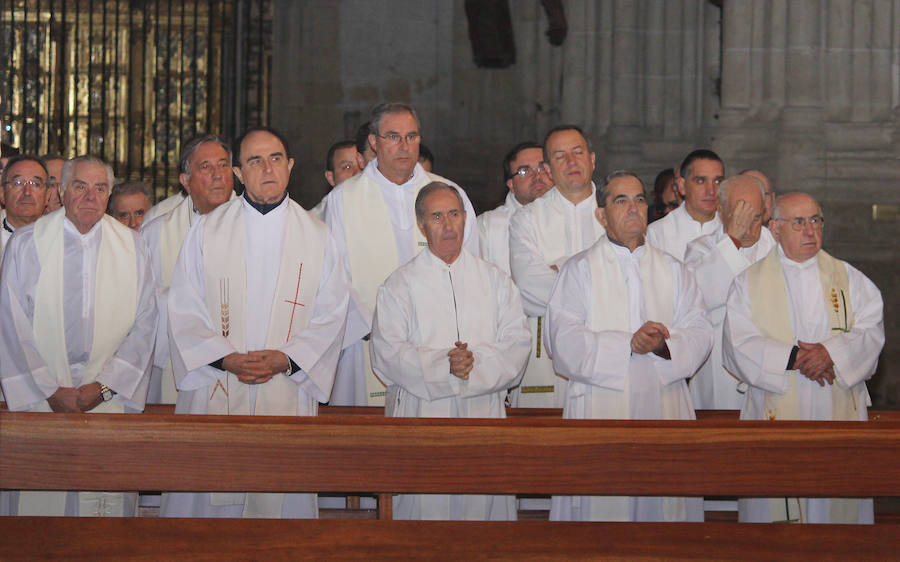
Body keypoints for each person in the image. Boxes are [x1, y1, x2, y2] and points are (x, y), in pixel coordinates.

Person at [162, 126, 350, 519]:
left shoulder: (319, 236)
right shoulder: (206, 231)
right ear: (238, 173)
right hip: (218, 384)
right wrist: (224, 358)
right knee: (207, 522)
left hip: (285, 386)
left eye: (276, 158)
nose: (267, 168)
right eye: (255, 160)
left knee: (280, 517)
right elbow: (184, 306)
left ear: (291, 167)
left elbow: (332, 314)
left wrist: (286, 359)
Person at [545, 170, 712, 522]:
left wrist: (664, 347)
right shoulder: (578, 271)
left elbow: (700, 330)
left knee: (664, 513)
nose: (634, 207)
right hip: (601, 409)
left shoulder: (674, 269)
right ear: (601, 215)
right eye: (621, 200)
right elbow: (563, 343)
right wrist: (628, 346)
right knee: (605, 517)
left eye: (639, 199)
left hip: (663, 405)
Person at [0, 155, 157, 516]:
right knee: (40, 518)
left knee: (104, 520)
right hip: (42, 401)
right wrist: (50, 389)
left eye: (99, 188)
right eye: (80, 186)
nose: (90, 196)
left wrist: (103, 387)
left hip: (108, 400)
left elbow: (145, 324)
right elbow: (11, 326)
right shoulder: (26, 244)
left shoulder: (133, 246)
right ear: (63, 191)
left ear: (109, 194)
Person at [371, 181, 530, 520]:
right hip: (422, 414)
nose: (447, 225)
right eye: (437, 216)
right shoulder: (400, 284)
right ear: (421, 224)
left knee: (482, 515)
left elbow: (517, 345)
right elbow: (387, 354)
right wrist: (444, 365)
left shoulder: (496, 280)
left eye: (454, 214)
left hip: (482, 412)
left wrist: (474, 364)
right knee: (426, 516)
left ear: (465, 219)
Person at [722, 192, 884, 524]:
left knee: (836, 510)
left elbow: (871, 331)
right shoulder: (748, 283)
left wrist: (831, 354)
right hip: (776, 403)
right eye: (798, 222)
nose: (809, 230)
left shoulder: (850, 279)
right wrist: (796, 357)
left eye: (815, 220)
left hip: (835, 404)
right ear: (775, 228)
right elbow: (737, 343)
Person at [324, 102, 478, 407]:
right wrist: (390, 337)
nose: (404, 146)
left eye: (411, 136)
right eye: (393, 136)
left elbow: (473, 271)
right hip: (367, 343)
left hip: (441, 347)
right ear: (373, 142)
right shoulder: (344, 199)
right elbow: (334, 277)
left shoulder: (448, 194)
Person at [508, 125, 605, 408]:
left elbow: (631, 281)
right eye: (560, 156)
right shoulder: (527, 219)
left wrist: (560, 269)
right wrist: (599, 284)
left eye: (578, 152)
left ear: (593, 159)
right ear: (548, 169)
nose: (572, 162)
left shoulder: (615, 210)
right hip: (544, 362)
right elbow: (527, 288)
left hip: (605, 354)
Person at [140, 133, 235, 404]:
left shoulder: (257, 228)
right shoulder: (156, 233)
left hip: (241, 363)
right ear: (185, 180)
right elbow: (142, 309)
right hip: (177, 365)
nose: (217, 175)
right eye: (206, 167)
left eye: (223, 165)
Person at [683, 175, 775, 410]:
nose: (747, 227)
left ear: (765, 212)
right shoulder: (701, 249)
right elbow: (697, 297)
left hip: (770, 365)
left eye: (754, 217)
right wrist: (731, 239)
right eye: (738, 217)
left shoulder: (778, 249)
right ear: (721, 211)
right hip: (717, 370)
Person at [646, 149, 725, 261]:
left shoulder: (732, 229)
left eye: (717, 182)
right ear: (682, 186)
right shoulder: (658, 233)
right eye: (701, 181)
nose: (711, 191)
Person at [1, 155, 52, 253]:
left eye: (35, 184)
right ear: (3, 194)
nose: (27, 192)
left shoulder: (62, 240)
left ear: (47, 196)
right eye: (18, 183)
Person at [310, 140, 362, 220]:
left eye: (362, 164)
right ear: (331, 178)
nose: (358, 172)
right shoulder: (314, 221)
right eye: (347, 167)